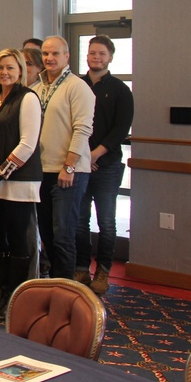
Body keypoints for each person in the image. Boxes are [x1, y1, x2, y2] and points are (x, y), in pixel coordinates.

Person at [0, 49, 42, 322]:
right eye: (0, 67)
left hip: (17, 184)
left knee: (16, 243)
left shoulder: (27, 98)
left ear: (20, 71)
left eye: (10, 68)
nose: (4, 72)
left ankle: (16, 299)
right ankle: (3, 294)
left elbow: (27, 145)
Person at [75, 35, 133, 295]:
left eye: (101, 54)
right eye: (92, 53)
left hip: (106, 165)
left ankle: (103, 272)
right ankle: (81, 268)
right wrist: (83, 157)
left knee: (106, 222)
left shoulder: (120, 89)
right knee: (79, 220)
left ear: (110, 57)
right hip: (78, 162)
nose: (96, 57)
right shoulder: (77, 84)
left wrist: (95, 155)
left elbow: (120, 129)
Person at [37, 36, 94, 280]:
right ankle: (53, 285)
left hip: (68, 173)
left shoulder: (77, 86)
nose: (49, 58)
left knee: (63, 235)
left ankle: (65, 290)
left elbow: (83, 129)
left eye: (55, 54)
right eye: (46, 54)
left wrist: (69, 167)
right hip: (41, 172)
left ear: (67, 56)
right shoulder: (36, 88)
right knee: (47, 234)